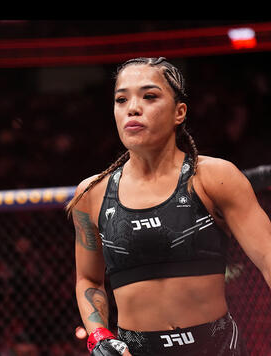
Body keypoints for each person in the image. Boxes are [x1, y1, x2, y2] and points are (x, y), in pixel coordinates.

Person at [66, 57, 271, 355]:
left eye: (149, 96)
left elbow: (268, 257)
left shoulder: (213, 177)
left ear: (179, 112)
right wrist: (98, 335)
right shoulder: (92, 193)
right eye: (121, 99)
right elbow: (88, 279)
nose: (132, 108)